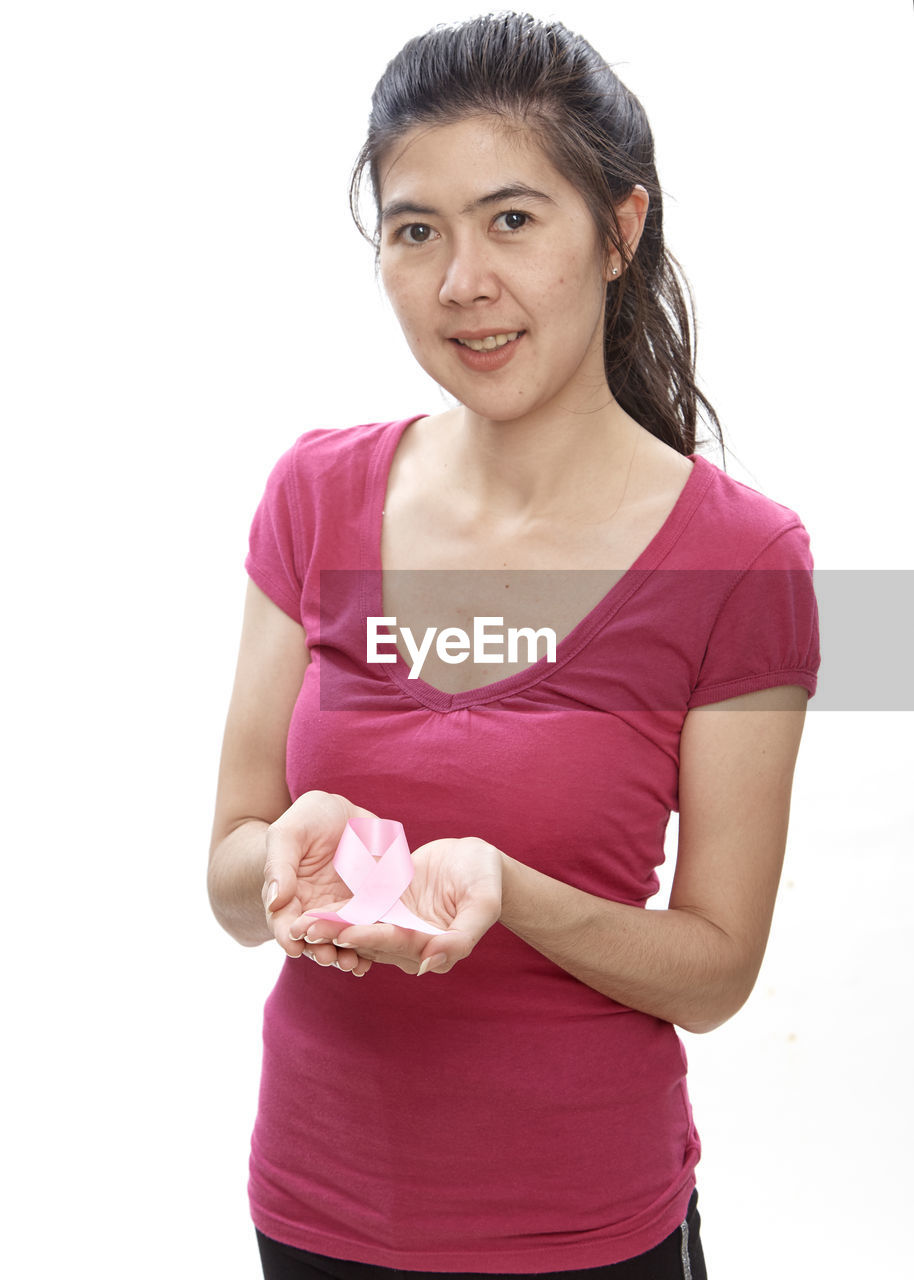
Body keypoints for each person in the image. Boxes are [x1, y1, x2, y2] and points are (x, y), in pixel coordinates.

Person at [208, 13, 820, 1279]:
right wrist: (283, 857)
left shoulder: (745, 560)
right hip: (313, 1209)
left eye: (511, 220)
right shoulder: (309, 495)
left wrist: (510, 891)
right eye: (414, 230)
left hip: (584, 1235)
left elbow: (714, 972)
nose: (458, 285)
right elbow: (225, 873)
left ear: (618, 230)